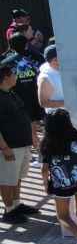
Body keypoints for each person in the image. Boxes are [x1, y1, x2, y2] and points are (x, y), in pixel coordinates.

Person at [38, 108, 77, 244]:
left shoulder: (46, 143)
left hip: (60, 186)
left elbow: (44, 169)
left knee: (63, 216)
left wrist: (46, 185)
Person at [0, 61, 35, 225]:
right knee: (7, 180)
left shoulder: (11, 92)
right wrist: (4, 147)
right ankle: (8, 211)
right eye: (13, 74)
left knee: (17, 177)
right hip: (10, 147)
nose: (16, 76)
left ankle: (16, 204)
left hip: (22, 144)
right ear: (6, 77)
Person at [5, 33, 43, 144]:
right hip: (35, 95)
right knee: (34, 124)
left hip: (17, 97)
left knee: (28, 124)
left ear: (10, 45)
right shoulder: (37, 56)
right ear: (26, 44)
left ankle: (34, 144)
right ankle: (36, 145)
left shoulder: (5, 59)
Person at [37, 45, 63, 115]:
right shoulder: (45, 77)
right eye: (55, 60)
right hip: (57, 117)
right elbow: (43, 102)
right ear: (49, 61)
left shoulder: (65, 69)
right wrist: (66, 103)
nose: (59, 61)